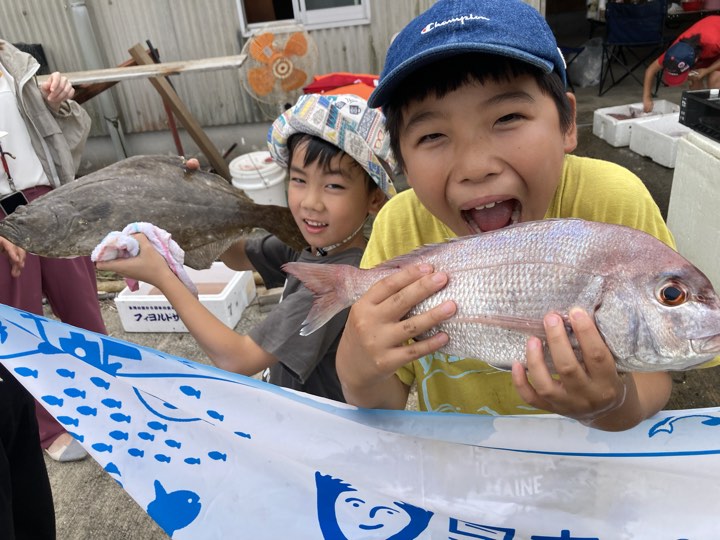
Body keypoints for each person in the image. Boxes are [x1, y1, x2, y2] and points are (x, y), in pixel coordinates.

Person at [335, 0, 683, 432]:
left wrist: (613, 407)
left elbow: (656, 373)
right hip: (461, 467)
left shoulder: (613, 204)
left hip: (582, 469)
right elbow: (383, 401)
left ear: (567, 123)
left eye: (508, 117)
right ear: (400, 160)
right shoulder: (398, 228)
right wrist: (355, 364)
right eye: (433, 135)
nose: (476, 165)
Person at [98, 93, 395, 402]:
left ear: (374, 199)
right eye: (298, 180)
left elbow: (237, 359)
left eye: (333, 185)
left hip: (312, 429)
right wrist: (196, 199)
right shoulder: (316, 245)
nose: (310, 202)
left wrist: (163, 278)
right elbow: (237, 256)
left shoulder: (339, 283)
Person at [0, 40, 106, 464]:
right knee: (24, 325)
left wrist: (56, 102)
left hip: (50, 197)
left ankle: (107, 398)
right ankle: (46, 426)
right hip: (3, 216)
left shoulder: (15, 62)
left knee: (83, 308)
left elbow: (55, 134)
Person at [643, 15, 720, 112]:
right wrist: (647, 97)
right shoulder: (674, 53)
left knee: (714, 82)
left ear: (695, 59)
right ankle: (703, 108)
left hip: (715, 36)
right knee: (694, 76)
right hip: (705, 45)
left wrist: (707, 70)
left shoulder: (714, 41)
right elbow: (650, 70)